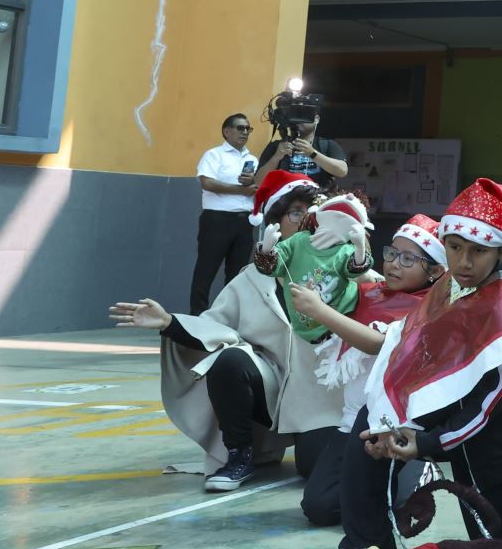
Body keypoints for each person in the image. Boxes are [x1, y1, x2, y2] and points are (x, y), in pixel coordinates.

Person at [333, 179, 502, 549]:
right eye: (454, 248)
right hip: (461, 427)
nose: (464, 262)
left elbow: (487, 408)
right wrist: (390, 422)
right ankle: (365, 548)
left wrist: (423, 442)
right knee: (370, 423)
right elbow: (413, 351)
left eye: (478, 251)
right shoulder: (450, 285)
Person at [109, 172, 340, 495]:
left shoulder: (345, 272)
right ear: (273, 223)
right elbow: (215, 328)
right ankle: (239, 454)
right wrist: (168, 322)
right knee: (230, 360)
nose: (306, 221)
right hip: (272, 389)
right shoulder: (251, 280)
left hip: (324, 398)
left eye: (314, 213)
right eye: (296, 212)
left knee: (313, 466)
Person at [284, 215, 444, 549]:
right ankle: (373, 497)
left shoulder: (430, 308)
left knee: (390, 500)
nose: (393, 264)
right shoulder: (368, 292)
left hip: (395, 422)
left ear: (433, 271)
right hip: (352, 421)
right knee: (318, 508)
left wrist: (320, 311)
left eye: (408, 259)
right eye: (391, 253)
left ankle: (419, 472)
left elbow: (378, 344)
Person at [252, 183, 377, 344]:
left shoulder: (347, 253)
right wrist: (266, 249)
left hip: (340, 332)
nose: (302, 219)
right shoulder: (297, 243)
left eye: (306, 212)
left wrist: (360, 248)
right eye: (296, 213)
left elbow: (358, 269)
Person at [192, 113, 260, 312]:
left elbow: (257, 186)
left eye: (248, 128)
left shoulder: (252, 159)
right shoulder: (214, 155)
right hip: (217, 219)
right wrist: (240, 190)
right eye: (240, 128)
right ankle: (197, 316)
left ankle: (229, 317)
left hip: (244, 221)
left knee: (237, 274)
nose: (245, 132)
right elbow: (207, 182)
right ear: (226, 131)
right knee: (206, 270)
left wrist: (254, 186)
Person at [255, 113, 348, 191]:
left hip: (318, 205)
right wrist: (276, 157)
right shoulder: (277, 147)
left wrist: (313, 154)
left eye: (304, 114)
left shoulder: (327, 144)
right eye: (296, 114)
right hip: (284, 206)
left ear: (316, 119)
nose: (299, 119)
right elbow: (258, 182)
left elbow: (342, 171)